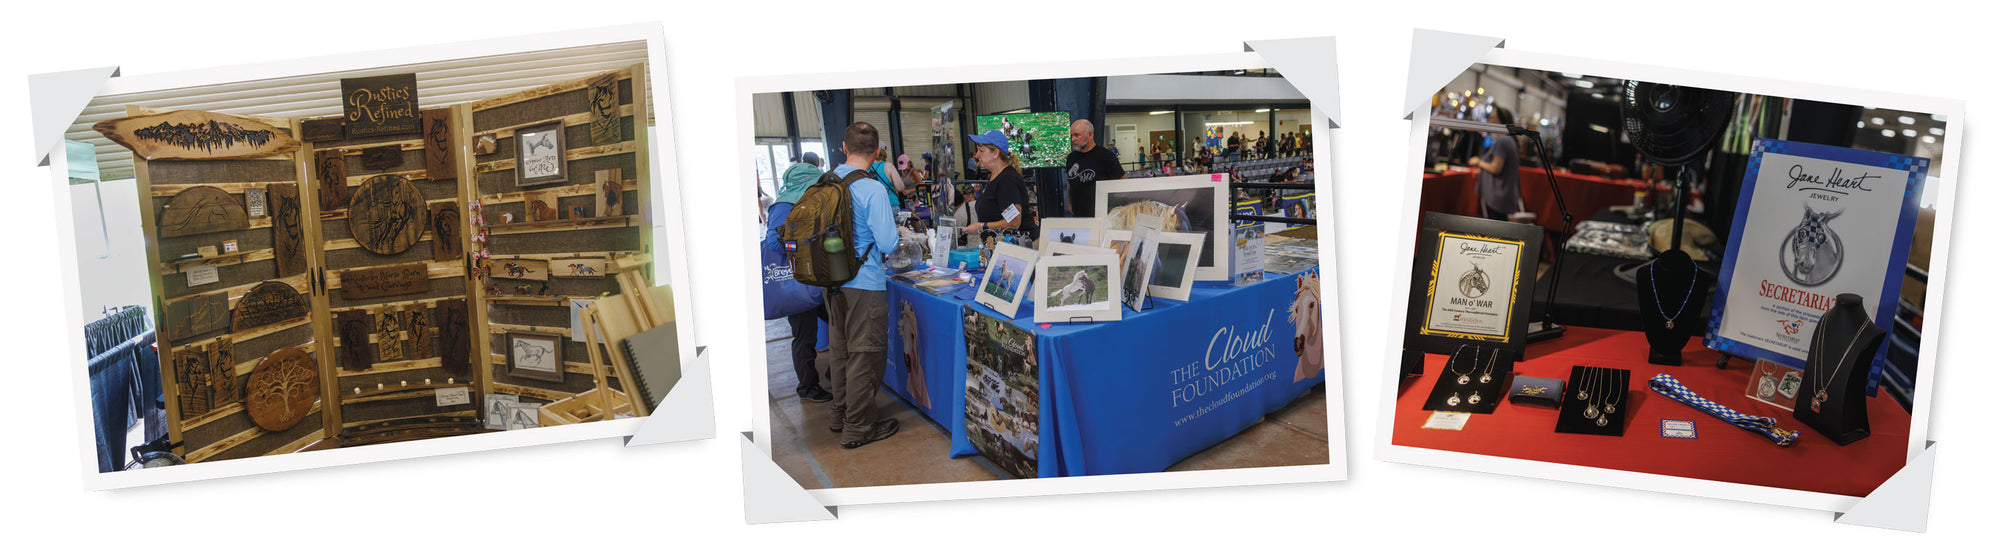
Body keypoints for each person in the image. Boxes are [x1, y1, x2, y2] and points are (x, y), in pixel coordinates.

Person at [825, 122, 900, 449]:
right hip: (865, 284)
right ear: (877, 151)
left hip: (832, 281)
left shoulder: (826, 181)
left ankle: (840, 414)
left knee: (840, 351)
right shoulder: (872, 189)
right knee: (864, 356)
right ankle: (859, 428)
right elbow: (888, 243)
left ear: (844, 147)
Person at [765, 161, 832, 404]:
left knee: (840, 322)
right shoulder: (783, 206)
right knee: (805, 337)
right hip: (796, 283)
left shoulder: (808, 201)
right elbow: (774, 243)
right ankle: (808, 386)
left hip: (814, 280)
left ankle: (834, 372)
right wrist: (806, 239)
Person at [964, 130, 1031, 239]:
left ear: (995, 153)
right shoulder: (994, 177)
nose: (977, 155)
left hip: (1018, 247)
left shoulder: (1007, 180)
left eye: (981, 151)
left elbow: (1014, 222)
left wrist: (982, 226)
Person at [1466, 107, 1523, 221]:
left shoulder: (1503, 140)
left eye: (1491, 117)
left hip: (1498, 198)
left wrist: (1479, 162)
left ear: (1497, 120)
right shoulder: (1508, 140)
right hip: (1502, 197)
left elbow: (1496, 168)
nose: (1489, 120)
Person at [1065, 119, 1125, 217]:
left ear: (1090, 135)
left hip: (1101, 215)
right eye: (1071, 136)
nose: (1073, 139)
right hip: (1079, 215)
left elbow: (1123, 180)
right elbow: (1070, 182)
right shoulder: (1071, 158)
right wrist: (1070, 204)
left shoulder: (1105, 156)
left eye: (1076, 135)